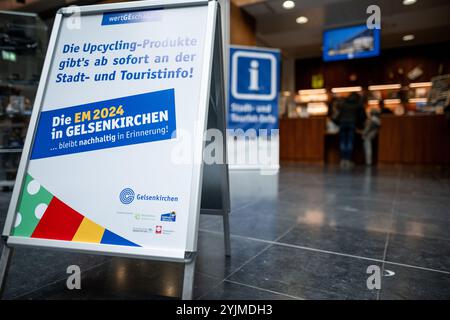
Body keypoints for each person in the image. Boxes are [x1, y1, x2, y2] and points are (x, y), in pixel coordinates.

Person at [336, 92, 366, 168]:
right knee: (349, 142)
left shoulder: (343, 104)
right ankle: (348, 160)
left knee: (342, 142)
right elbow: (362, 117)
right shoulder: (357, 104)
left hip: (342, 124)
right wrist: (361, 126)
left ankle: (343, 160)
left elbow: (338, 116)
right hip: (351, 124)